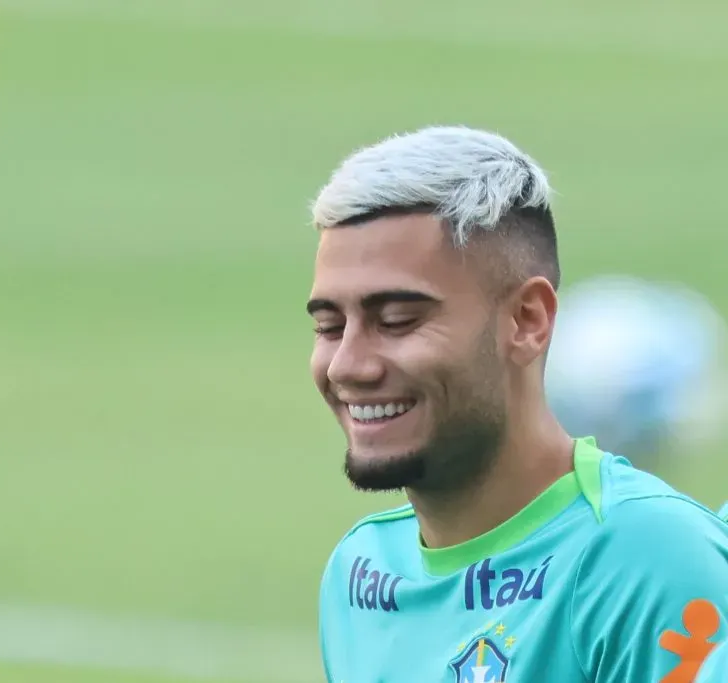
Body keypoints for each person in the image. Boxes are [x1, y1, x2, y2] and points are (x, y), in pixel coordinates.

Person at [308, 125, 728, 682]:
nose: (348, 366)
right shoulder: (361, 573)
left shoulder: (645, 560)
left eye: (398, 321)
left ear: (527, 321)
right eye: (330, 326)